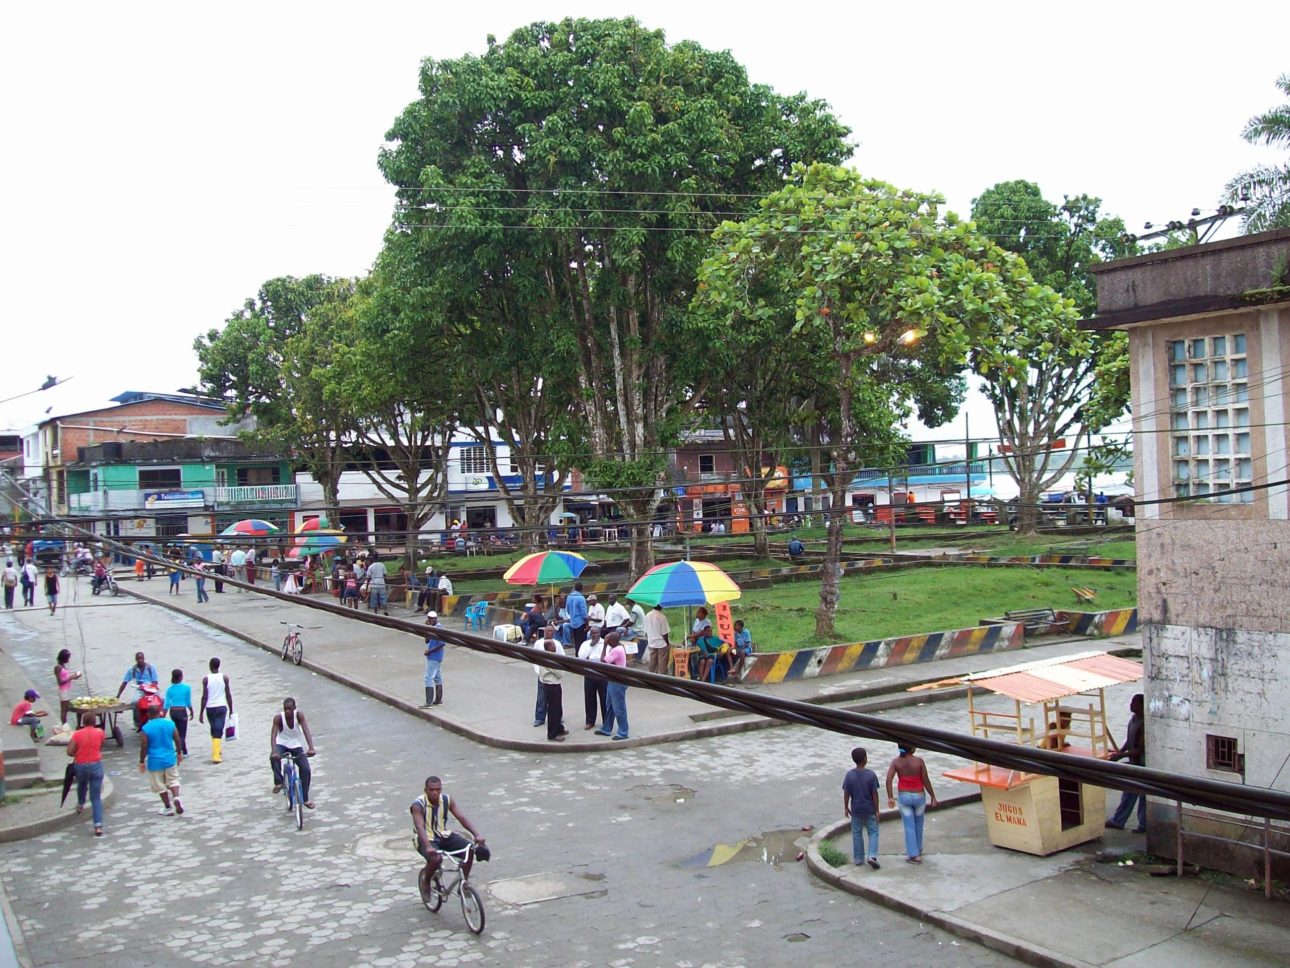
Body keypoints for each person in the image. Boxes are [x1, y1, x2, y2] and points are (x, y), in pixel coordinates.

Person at [411, 776, 486, 893]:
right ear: (426, 790)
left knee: (469, 849)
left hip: (443, 835)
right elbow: (419, 827)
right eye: (431, 790)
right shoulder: (418, 805)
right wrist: (428, 846)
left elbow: (461, 817)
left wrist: (477, 834)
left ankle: (464, 883)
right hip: (425, 838)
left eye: (438, 789)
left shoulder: (447, 800)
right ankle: (426, 881)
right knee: (436, 859)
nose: (435, 792)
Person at [886, 745, 937, 863]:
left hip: (904, 797)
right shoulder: (919, 761)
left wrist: (890, 797)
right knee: (919, 823)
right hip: (919, 796)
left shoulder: (895, 762)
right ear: (912, 748)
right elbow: (926, 780)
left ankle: (913, 854)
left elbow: (889, 779)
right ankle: (918, 849)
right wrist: (933, 796)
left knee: (909, 826)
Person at [1106, 693, 1147, 833]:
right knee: (1132, 793)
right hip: (1134, 762)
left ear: (1141, 706)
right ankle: (1121, 821)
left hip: (1141, 764)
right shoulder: (1133, 719)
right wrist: (1120, 751)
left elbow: (1140, 749)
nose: (1131, 705)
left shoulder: (1144, 724)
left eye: (1134, 703)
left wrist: (1121, 755)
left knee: (1139, 794)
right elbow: (1129, 740)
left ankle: (1139, 823)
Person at [269, 697, 316, 809]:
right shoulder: (278, 718)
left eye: (289, 709)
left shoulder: (299, 715)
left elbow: (306, 730)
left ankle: (305, 798)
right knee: (273, 758)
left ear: (294, 708)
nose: (287, 711)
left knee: (306, 769)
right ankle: (279, 782)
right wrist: (274, 751)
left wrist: (311, 748)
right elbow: (274, 734)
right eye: (285, 709)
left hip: (295, 744)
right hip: (282, 743)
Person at [139, 704, 184, 816]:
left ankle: (168, 808)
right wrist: (179, 752)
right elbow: (177, 739)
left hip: (154, 761)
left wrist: (141, 761)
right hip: (170, 758)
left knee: (159, 785)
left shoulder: (146, 728)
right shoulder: (170, 724)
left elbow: (144, 746)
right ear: (160, 712)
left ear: (148, 715)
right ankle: (176, 797)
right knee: (173, 780)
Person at [67, 712, 106, 836]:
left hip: (81, 765)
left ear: (82, 722)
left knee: (82, 784)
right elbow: (100, 746)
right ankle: (98, 826)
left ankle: (80, 803)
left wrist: (77, 753)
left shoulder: (77, 734)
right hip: (96, 765)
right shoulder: (100, 732)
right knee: (96, 797)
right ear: (94, 721)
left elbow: (69, 751)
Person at [843, 747, 881, 869]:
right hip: (869, 808)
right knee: (873, 832)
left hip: (856, 809)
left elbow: (846, 793)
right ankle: (872, 856)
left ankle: (859, 859)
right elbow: (875, 794)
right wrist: (877, 809)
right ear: (865, 759)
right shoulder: (871, 775)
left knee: (857, 833)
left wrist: (846, 807)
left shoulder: (849, 775)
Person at [198, 657, 233, 764]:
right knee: (217, 729)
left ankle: (216, 752)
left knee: (214, 729)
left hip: (210, 708)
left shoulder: (206, 679)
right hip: (222, 706)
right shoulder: (224, 678)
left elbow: (204, 697)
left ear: (210, 666)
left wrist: (201, 712)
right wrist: (231, 709)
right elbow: (228, 694)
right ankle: (216, 753)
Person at [596, 630, 630, 741]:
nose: (606, 641)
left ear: (612, 641)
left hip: (618, 681)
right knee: (609, 705)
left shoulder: (617, 650)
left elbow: (603, 662)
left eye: (608, 639)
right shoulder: (616, 647)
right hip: (612, 680)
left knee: (619, 707)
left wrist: (604, 646)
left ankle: (623, 732)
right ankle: (606, 728)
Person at [537, 627, 567, 742]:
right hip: (551, 685)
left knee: (558, 708)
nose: (555, 646)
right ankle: (552, 734)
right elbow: (560, 673)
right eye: (553, 645)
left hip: (554, 684)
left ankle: (559, 728)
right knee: (553, 709)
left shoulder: (550, 657)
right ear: (549, 648)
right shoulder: (549, 659)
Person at [116, 652, 160, 730]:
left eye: (142, 658)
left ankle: (159, 719)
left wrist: (151, 689)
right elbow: (125, 682)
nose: (140, 660)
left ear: (144, 658)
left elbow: (155, 681)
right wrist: (118, 695)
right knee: (135, 702)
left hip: (151, 689)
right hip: (139, 689)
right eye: (139, 659)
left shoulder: (151, 668)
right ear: (136, 659)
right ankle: (137, 723)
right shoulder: (132, 670)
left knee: (160, 700)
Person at [577, 626, 609, 731]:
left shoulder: (605, 643)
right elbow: (581, 657)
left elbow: (607, 658)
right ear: (590, 634)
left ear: (600, 633)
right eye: (593, 633)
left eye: (597, 633)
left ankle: (606, 722)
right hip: (589, 672)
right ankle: (590, 721)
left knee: (604, 697)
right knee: (589, 697)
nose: (595, 635)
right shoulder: (586, 644)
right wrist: (591, 645)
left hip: (602, 672)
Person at [164, 669, 193, 756]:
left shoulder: (169, 689)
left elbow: (167, 704)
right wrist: (191, 711)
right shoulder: (186, 688)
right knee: (182, 734)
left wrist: (163, 714)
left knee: (176, 733)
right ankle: (180, 752)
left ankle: (183, 751)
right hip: (182, 712)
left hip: (173, 712)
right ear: (181, 677)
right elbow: (188, 702)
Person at [422, 612, 446, 707]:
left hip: (434, 656)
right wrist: (427, 629)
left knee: (428, 678)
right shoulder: (432, 628)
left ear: (436, 618)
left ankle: (429, 702)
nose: (430, 620)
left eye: (432, 618)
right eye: (429, 618)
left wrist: (430, 651)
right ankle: (438, 699)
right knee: (437, 677)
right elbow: (427, 640)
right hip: (434, 656)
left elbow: (442, 643)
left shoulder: (439, 629)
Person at [54, 648, 83, 725]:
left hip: (67, 690)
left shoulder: (63, 666)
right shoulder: (58, 667)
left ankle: (65, 724)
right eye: (67, 658)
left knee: (66, 708)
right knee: (64, 710)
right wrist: (71, 677)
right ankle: (64, 725)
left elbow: (66, 678)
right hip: (63, 690)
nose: (68, 660)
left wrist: (75, 677)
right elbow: (60, 682)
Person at [644, 603, 672, 675]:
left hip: (652, 643)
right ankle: (663, 679)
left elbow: (646, 631)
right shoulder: (662, 617)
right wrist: (667, 643)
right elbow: (664, 633)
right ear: (661, 606)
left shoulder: (647, 615)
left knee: (653, 664)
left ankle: (653, 678)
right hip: (662, 644)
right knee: (663, 665)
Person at [566, 582, 588, 649]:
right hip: (581, 623)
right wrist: (587, 623)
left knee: (576, 641)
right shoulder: (581, 598)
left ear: (575, 588)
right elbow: (584, 613)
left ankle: (576, 653)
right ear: (582, 588)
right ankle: (580, 654)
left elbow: (568, 610)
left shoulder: (569, 597)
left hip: (573, 623)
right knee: (581, 643)